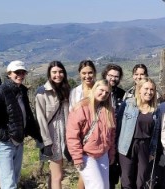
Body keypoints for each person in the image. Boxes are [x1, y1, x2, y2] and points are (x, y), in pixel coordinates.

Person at [0, 60, 43, 189]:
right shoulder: (1, 91)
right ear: (9, 74)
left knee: (15, 179)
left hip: (18, 142)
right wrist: (4, 136)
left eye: (22, 72)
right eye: (16, 72)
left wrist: (38, 137)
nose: (20, 75)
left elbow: (27, 118)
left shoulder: (21, 91)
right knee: (9, 184)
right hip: (4, 144)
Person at [66, 79, 116, 189]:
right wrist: (77, 157)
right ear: (95, 89)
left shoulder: (109, 110)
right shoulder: (81, 108)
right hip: (86, 155)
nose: (103, 94)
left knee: (105, 186)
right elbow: (72, 135)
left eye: (107, 93)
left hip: (103, 154)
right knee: (97, 186)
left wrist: (111, 153)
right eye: (101, 90)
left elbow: (111, 134)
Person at [117, 78, 162, 189]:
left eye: (152, 89)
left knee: (141, 181)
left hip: (145, 147)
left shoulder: (155, 109)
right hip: (127, 145)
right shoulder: (128, 104)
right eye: (146, 88)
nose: (149, 92)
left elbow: (155, 133)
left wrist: (152, 152)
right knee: (127, 180)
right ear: (139, 89)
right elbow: (118, 126)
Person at [35, 61, 71, 189]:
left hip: (64, 136)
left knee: (54, 173)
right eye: (54, 72)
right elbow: (40, 119)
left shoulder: (67, 90)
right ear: (49, 74)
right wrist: (46, 142)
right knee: (58, 175)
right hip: (51, 137)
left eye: (60, 72)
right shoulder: (42, 92)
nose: (58, 75)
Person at [69, 60, 96, 189]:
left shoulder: (100, 90)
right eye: (84, 73)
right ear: (79, 74)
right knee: (84, 172)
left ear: (95, 73)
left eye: (90, 72)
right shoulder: (75, 92)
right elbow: (71, 117)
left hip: (96, 138)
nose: (87, 76)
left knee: (89, 175)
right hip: (80, 138)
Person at [101, 63, 125, 189]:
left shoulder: (122, 94)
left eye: (116, 76)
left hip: (117, 138)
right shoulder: (99, 92)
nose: (113, 78)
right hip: (101, 138)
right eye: (110, 75)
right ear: (105, 75)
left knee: (113, 173)